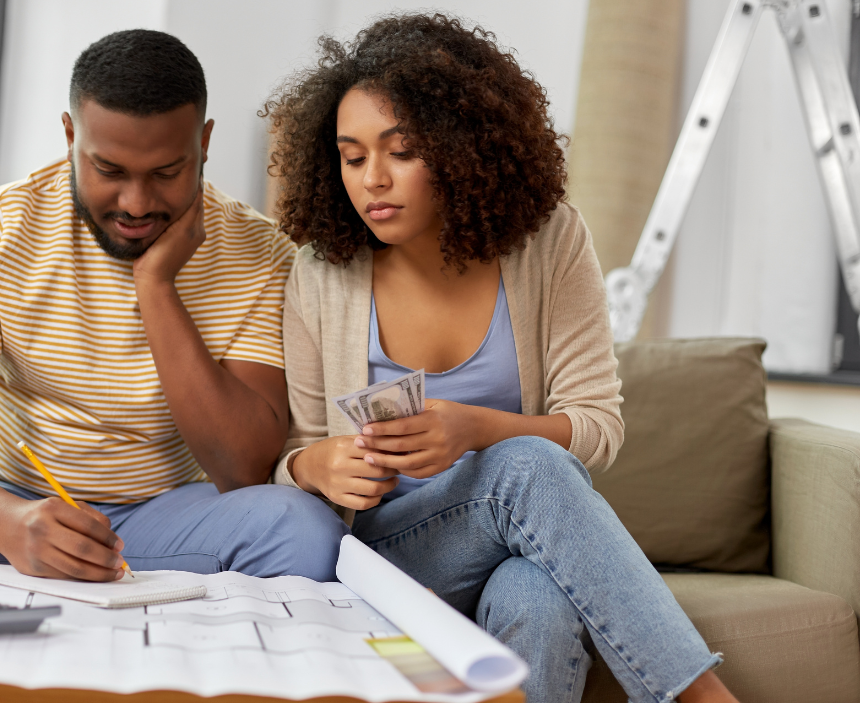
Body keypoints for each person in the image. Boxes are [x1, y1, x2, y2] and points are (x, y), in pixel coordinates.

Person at [263, 14, 739, 703]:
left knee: (539, 600)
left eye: (400, 151)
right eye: (353, 155)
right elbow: (286, 458)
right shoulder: (322, 271)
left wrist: (474, 428)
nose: (373, 180)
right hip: (391, 557)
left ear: (460, 148)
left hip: (518, 541)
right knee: (529, 466)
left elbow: (598, 427)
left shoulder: (549, 243)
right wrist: (317, 466)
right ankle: (702, 696)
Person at [0, 29, 348, 630]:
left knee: (308, 536)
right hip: (12, 500)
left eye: (167, 172)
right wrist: (8, 522)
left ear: (203, 144)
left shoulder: (260, 253)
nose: (136, 201)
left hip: (170, 514)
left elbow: (244, 468)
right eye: (109, 169)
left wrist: (156, 288)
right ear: (72, 136)